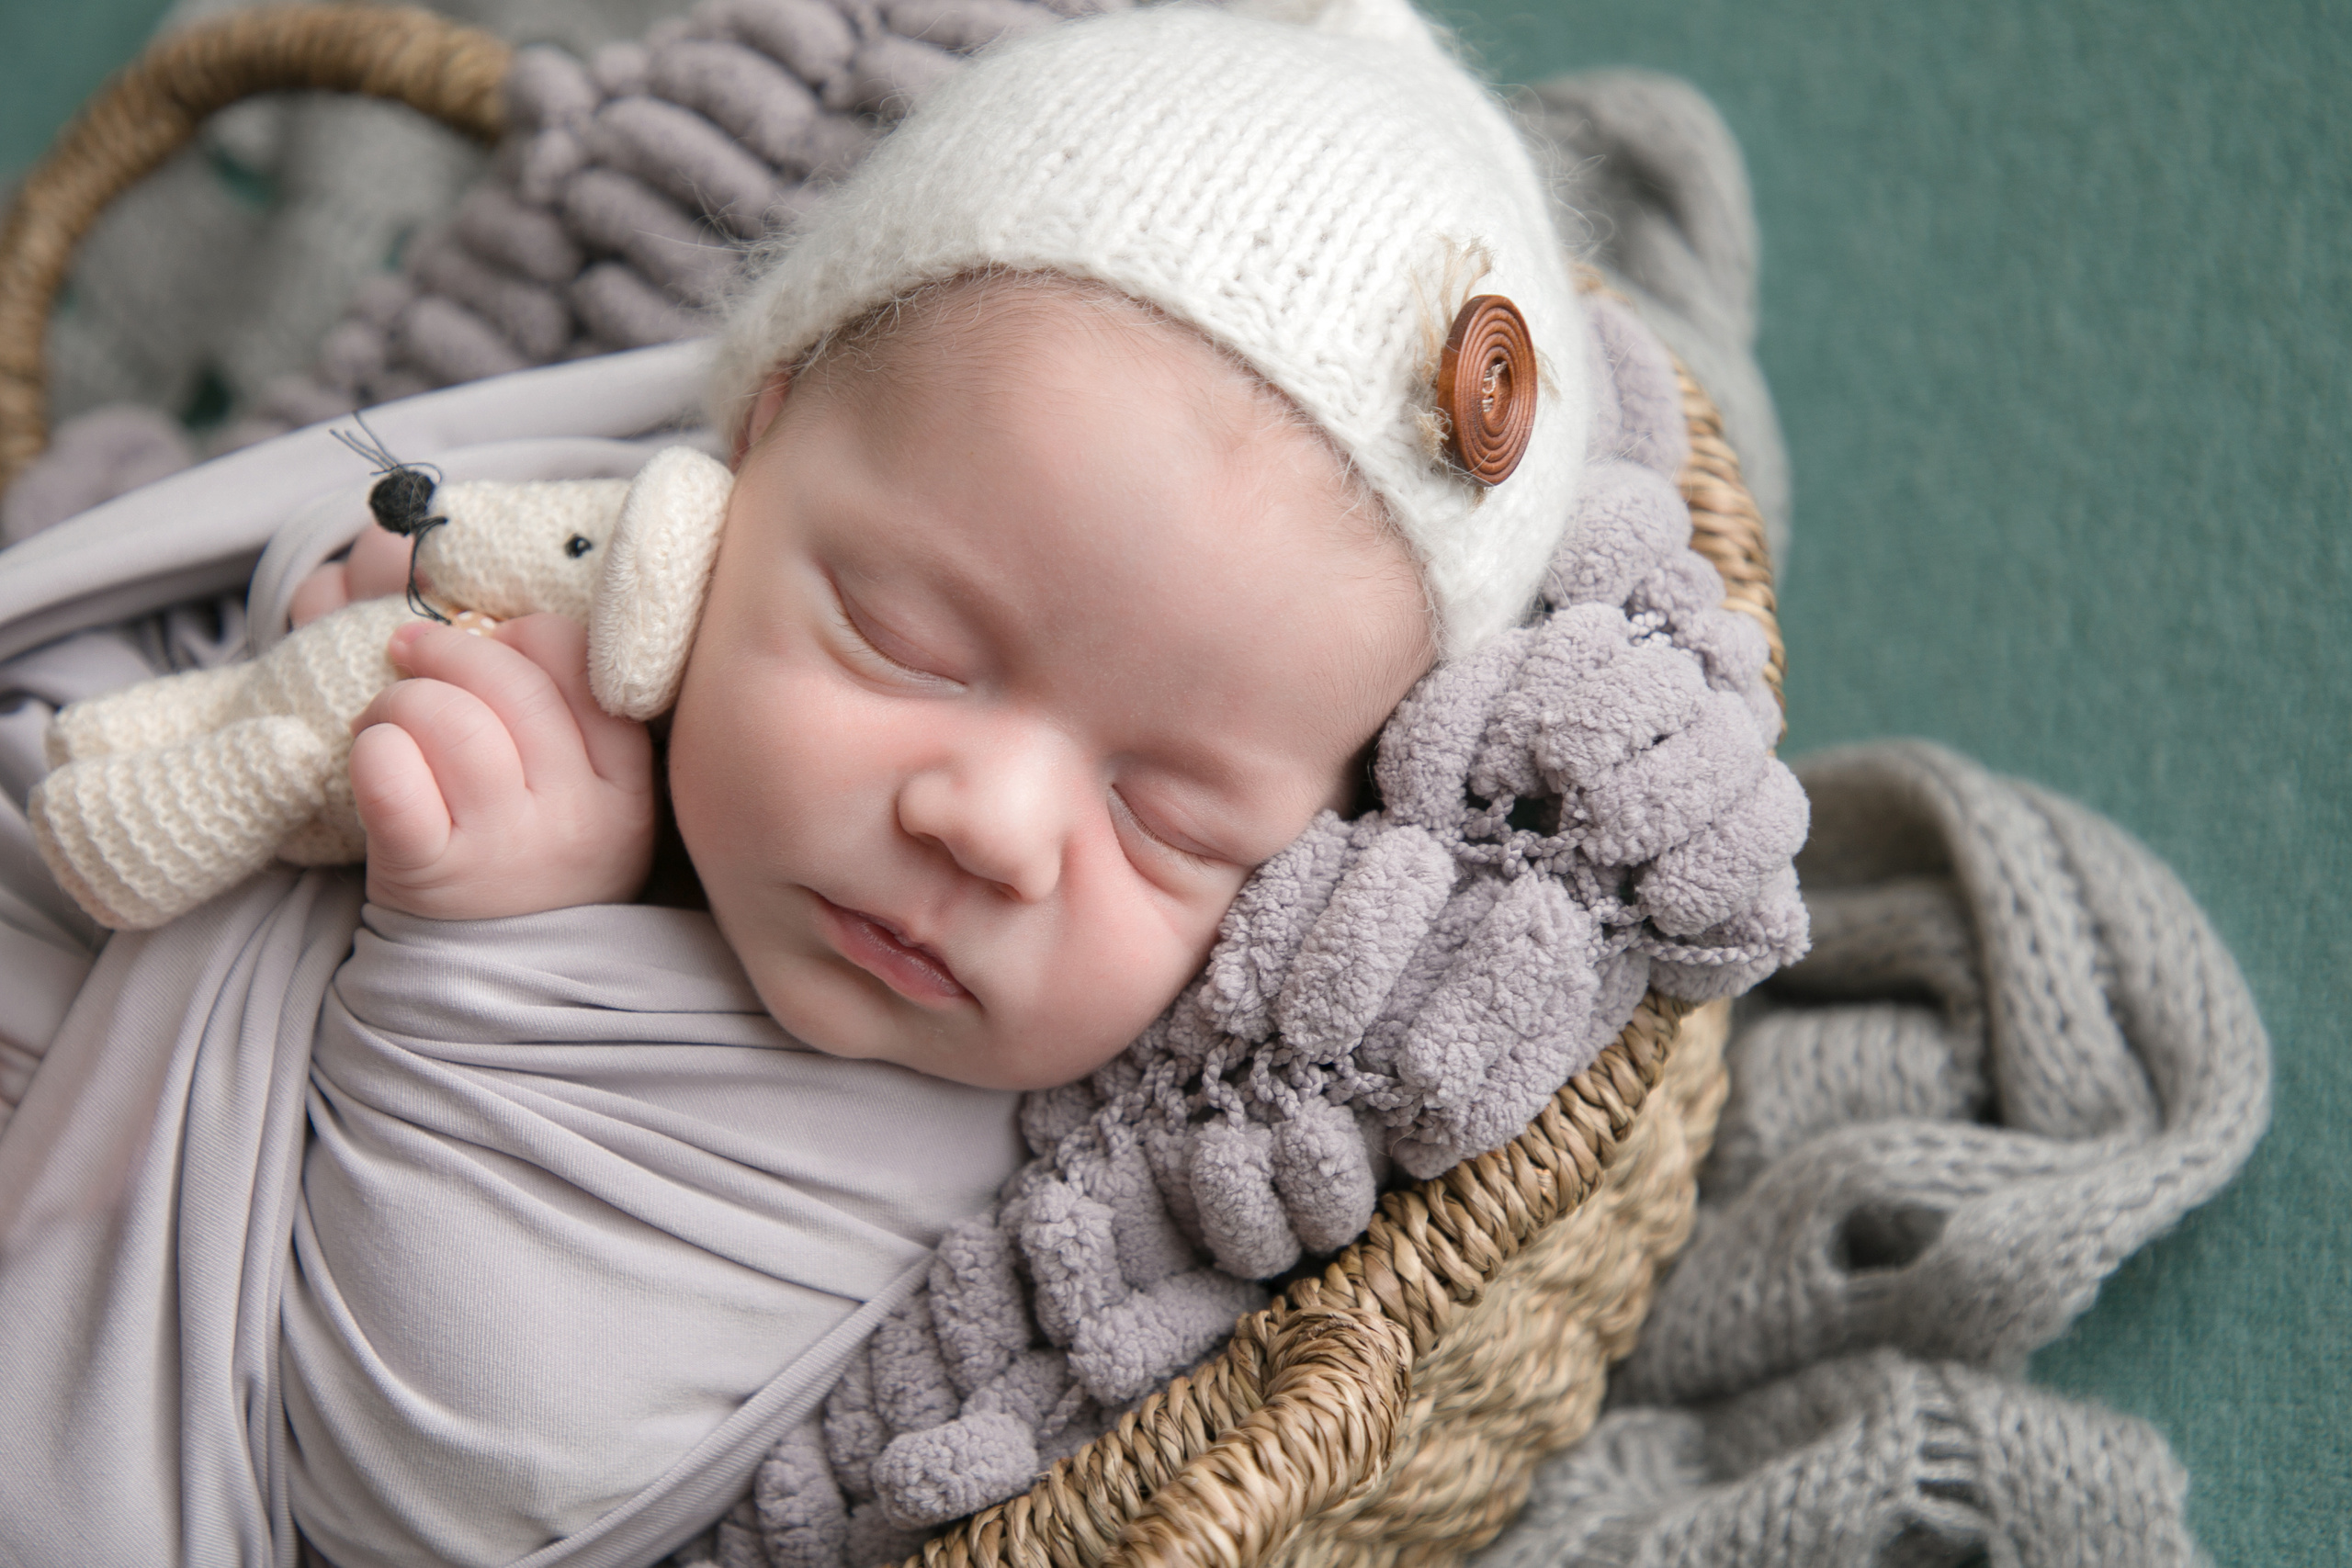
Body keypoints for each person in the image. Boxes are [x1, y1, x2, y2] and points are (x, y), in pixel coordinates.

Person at [0, 0, 1610, 1562]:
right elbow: (217, 625)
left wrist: (491, 955)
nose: (991, 829)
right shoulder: (609, 541)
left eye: (1171, 821)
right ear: (753, 443)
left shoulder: (996, 1176)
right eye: (905, 642)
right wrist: (345, 605)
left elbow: (432, 1494)